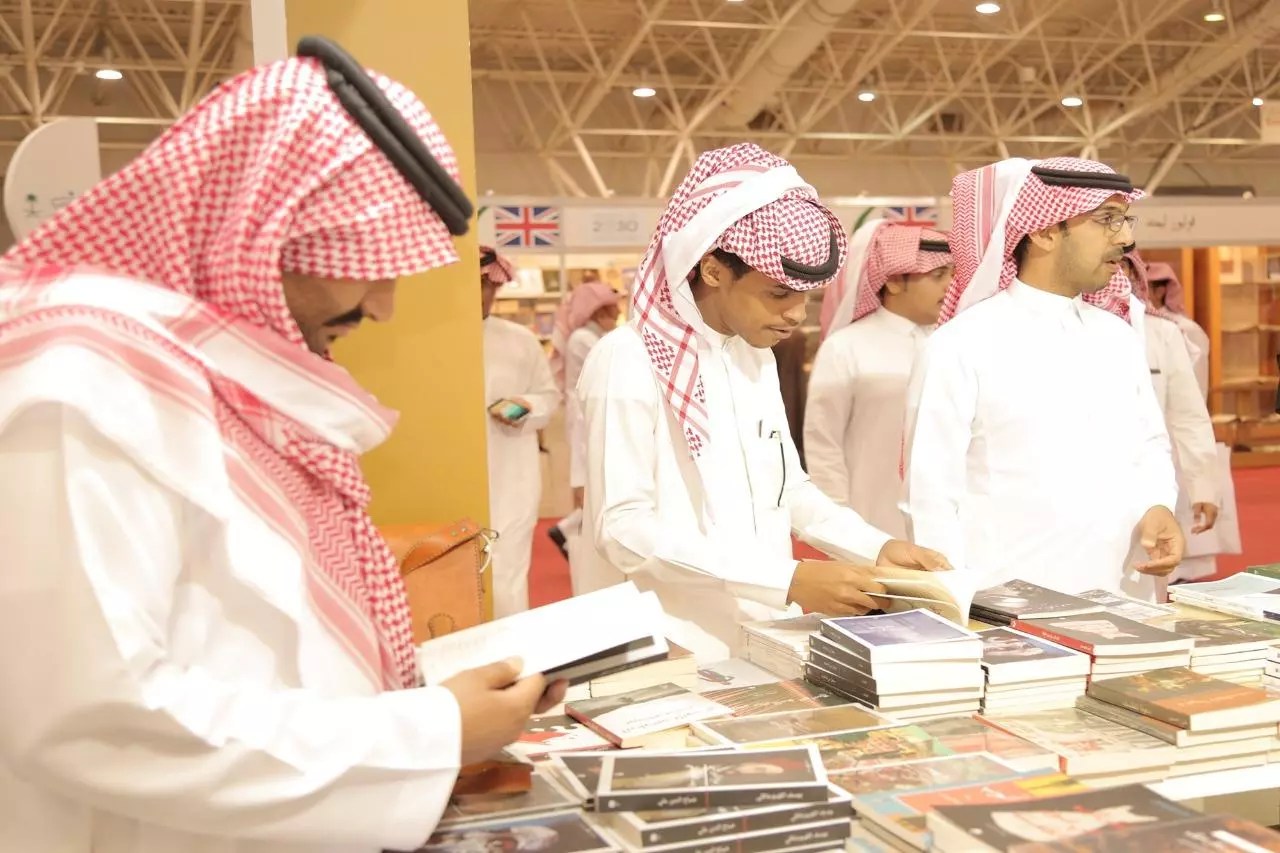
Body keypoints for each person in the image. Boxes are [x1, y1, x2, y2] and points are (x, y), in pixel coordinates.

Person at [0, 41, 562, 853]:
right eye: (361, 264)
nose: (382, 305)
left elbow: (244, 642)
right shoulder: (80, 383)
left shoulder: (210, 374)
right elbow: (91, 713)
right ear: (260, 230)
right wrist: (428, 731)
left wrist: (435, 698)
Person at [576, 143, 950, 661]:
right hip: (668, 641)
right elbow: (623, 530)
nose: (796, 314)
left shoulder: (754, 355)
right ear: (713, 269)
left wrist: (876, 546)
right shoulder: (628, 358)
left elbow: (788, 489)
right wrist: (787, 579)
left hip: (764, 632)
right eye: (778, 294)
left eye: (806, 297)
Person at [902, 157, 1184, 601]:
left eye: (1125, 220)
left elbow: (1149, 443)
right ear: (1045, 231)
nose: (1125, 239)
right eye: (1107, 220)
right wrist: (952, 603)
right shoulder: (961, 344)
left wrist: (1158, 504)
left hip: (1127, 596)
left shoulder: (1117, 336)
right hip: (1011, 604)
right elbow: (930, 496)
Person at [805, 221, 953, 536]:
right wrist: (838, 526)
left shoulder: (952, 345)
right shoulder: (846, 347)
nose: (950, 285)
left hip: (946, 528)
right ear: (895, 281)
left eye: (952, 274)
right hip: (871, 527)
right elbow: (823, 444)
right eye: (938, 275)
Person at [1123, 250, 1233, 584]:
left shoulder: (1165, 333)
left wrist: (1204, 487)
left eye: (1125, 268)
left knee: (1153, 574)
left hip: (1159, 470)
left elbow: (1189, 414)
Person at [479, 246, 560, 617]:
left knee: (507, 573)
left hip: (511, 474)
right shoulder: (434, 342)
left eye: (487, 284)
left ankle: (509, 649)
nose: (482, 293)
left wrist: (522, 407)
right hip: (451, 475)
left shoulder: (519, 339)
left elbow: (548, 396)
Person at [544, 280, 623, 570]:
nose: (617, 313)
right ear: (597, 311)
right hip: (586, 418)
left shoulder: (595, 337)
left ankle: (566, 529)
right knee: (593, 487)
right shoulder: (584, 339)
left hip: (592, 417)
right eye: (612, 308)